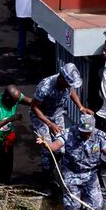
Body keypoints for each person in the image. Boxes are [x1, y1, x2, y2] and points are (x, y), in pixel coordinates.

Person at [37, 114, 106, 210]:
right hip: (71, 174)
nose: (85, 134)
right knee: (72, 205)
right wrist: (46, 144)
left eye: (88, 132)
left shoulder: (100, 136)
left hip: (90, 175)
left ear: (93, 129)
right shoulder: (68, 133)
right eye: (83, 131)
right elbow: (55, 145)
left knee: (96, 204)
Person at [31, 63, 93, 193]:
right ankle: (46, 181)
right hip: (41, 118)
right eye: (68, 83)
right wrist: (49, 124)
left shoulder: (67, 84)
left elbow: (72, 92)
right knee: (48, 149)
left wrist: (81, 107)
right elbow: (34, 107)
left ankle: (54, 172)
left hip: (57, 115)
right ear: (62, 78)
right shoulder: (45, 87)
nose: (69, 86)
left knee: (61, 148)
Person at [0, 85, 32, 184]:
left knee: (7, 166)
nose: (16, 104)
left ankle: (6, 185)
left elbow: (30, 101)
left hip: (6, 140)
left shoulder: (15, 97)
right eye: (14, 102)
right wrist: (10, 119)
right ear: (7, 98)